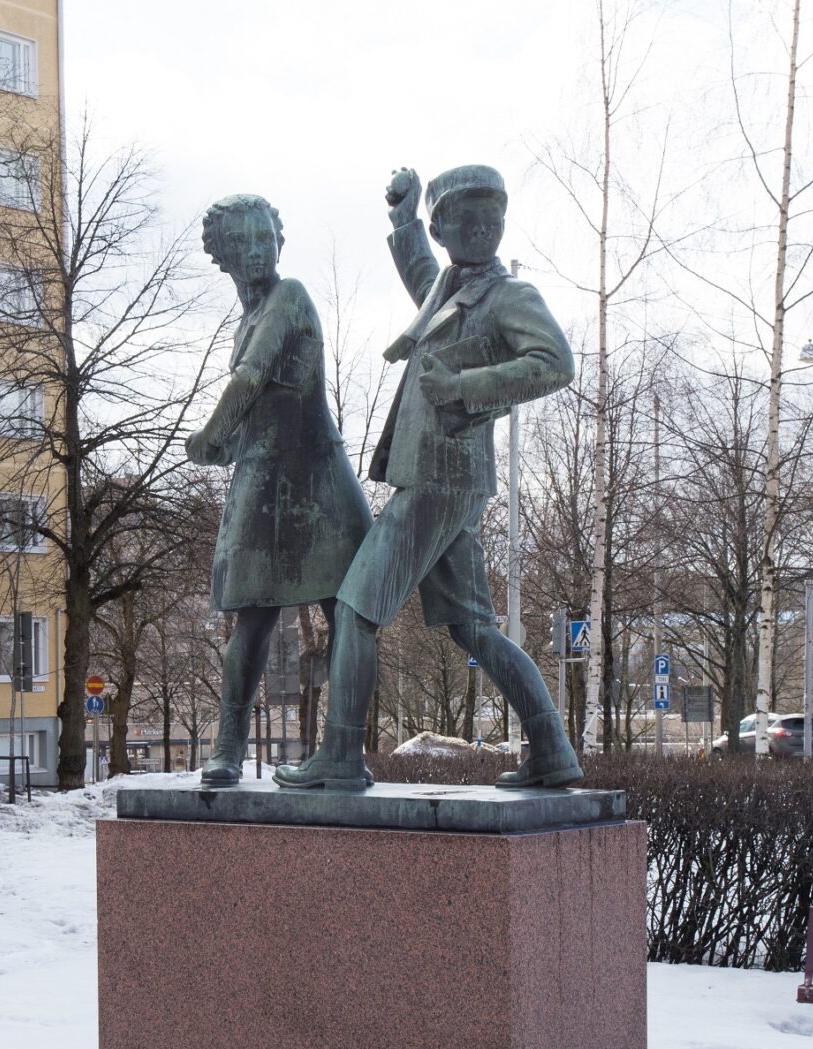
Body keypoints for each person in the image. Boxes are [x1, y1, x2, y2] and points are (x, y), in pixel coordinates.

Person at [275, 164, 582, 792]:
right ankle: (551, 749)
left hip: (443, 478)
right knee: (475, 628)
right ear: (443, 229)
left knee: (358, 609)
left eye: (492, 217)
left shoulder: (509, 296)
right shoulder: (452, 287)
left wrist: (465, 386)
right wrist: (403, 220)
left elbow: (554, 362)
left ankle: (338, 757)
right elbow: (424, 280)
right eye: (466, 218)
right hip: (444, 479)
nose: (482, 228)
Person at [187, 195, 372, 784]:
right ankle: (228, 749)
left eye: (266, 237)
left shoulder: (288, 295)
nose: (260, 250)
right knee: (253, 619)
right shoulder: (249, 316)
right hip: (265, 477)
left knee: (346, 614)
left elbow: (250, 378)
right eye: (245, 242)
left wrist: (206, 437)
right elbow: (255, 400)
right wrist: (228, 441)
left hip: (316, 479)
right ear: (226, 257)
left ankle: (342, 751)